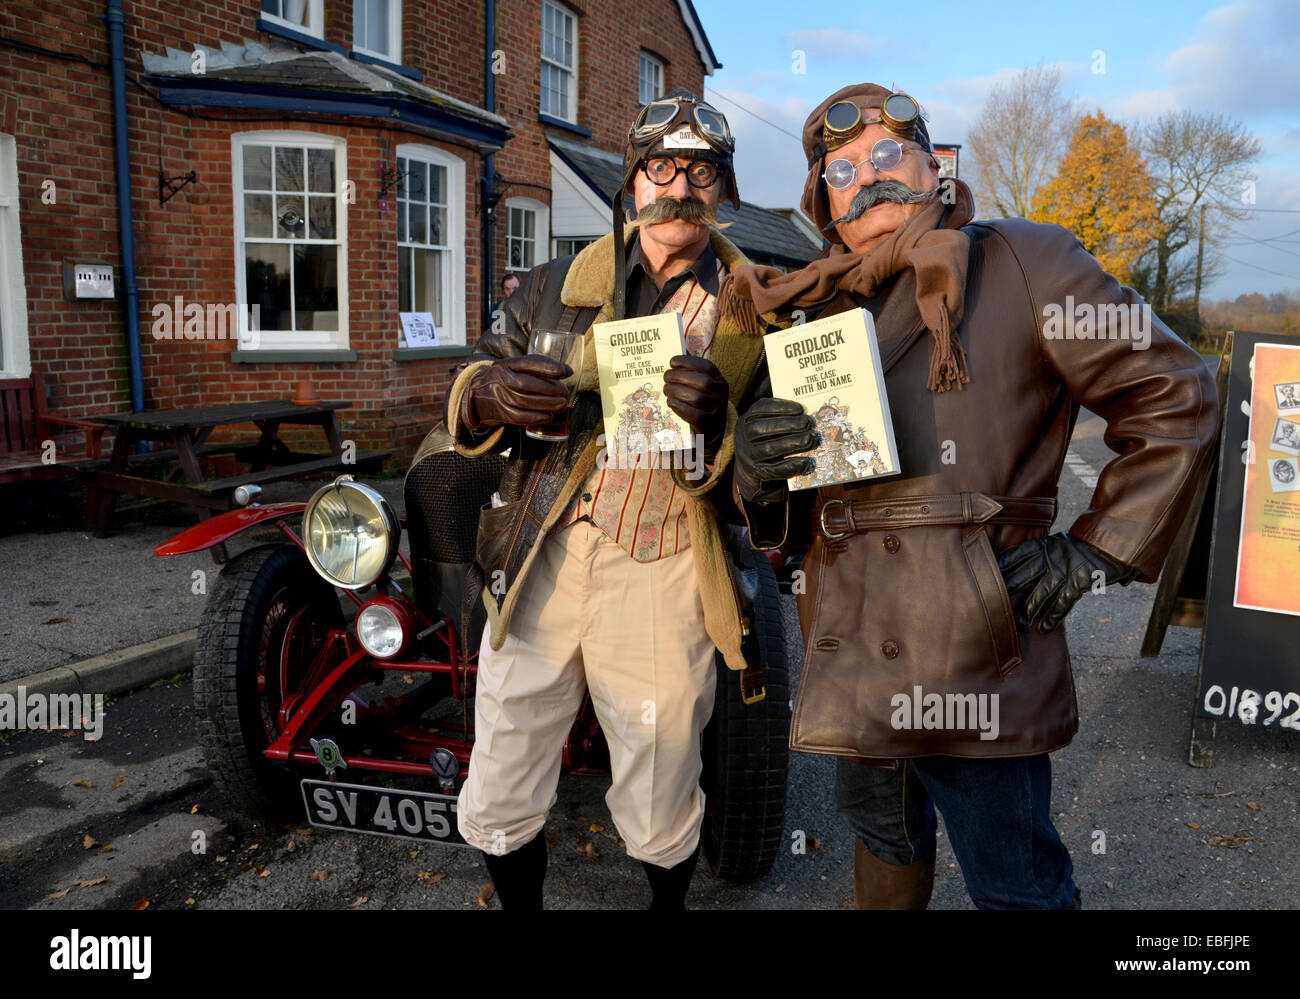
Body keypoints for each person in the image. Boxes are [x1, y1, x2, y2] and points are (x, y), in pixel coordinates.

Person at [725, 83, 1219, 909]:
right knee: (885, 838)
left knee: (1016, 881)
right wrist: (757, 475)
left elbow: (1175, 391)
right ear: (825, 206)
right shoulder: (814, 309)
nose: (870, 175)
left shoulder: (1021, 258)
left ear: (932, 165)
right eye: (842, 170)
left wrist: (1099, 545)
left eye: (888, 154)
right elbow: (795, 513)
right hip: (852, 637)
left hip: (974, 643)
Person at [442, 90, 769, 909]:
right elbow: (471, 381)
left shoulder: (756, 311)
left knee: (660, 780)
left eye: (700, 171)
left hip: (665, 557)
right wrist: (488, 392)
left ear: (722, 189)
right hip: (543, 547)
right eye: (660, 166)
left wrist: (719, 426)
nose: (678, 186)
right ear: (631, 183)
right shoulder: (551, 286)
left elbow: (778, 466)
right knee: (504, 767)